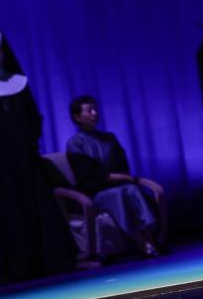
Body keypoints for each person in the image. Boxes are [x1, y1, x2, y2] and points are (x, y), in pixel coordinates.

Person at [0, 31, 75, 285]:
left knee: (35, 206)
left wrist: (24, 138)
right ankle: (14, 267)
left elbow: (34, 118)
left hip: (26, 161)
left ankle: (45, 261)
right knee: (4, 211)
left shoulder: (19, 83)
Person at [66, 95, 168, 256]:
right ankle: (142, 241)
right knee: (120, 193)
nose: (95, 113)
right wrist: (123, 178)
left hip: (119, 185)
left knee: (130, 190)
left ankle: (149, 237)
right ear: (77, 117)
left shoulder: (109, 138)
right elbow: (91, 176)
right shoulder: (75, 144)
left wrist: (123, 178)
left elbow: (121, 166)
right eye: (89, 110)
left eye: (95, 109)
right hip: (96, 191)